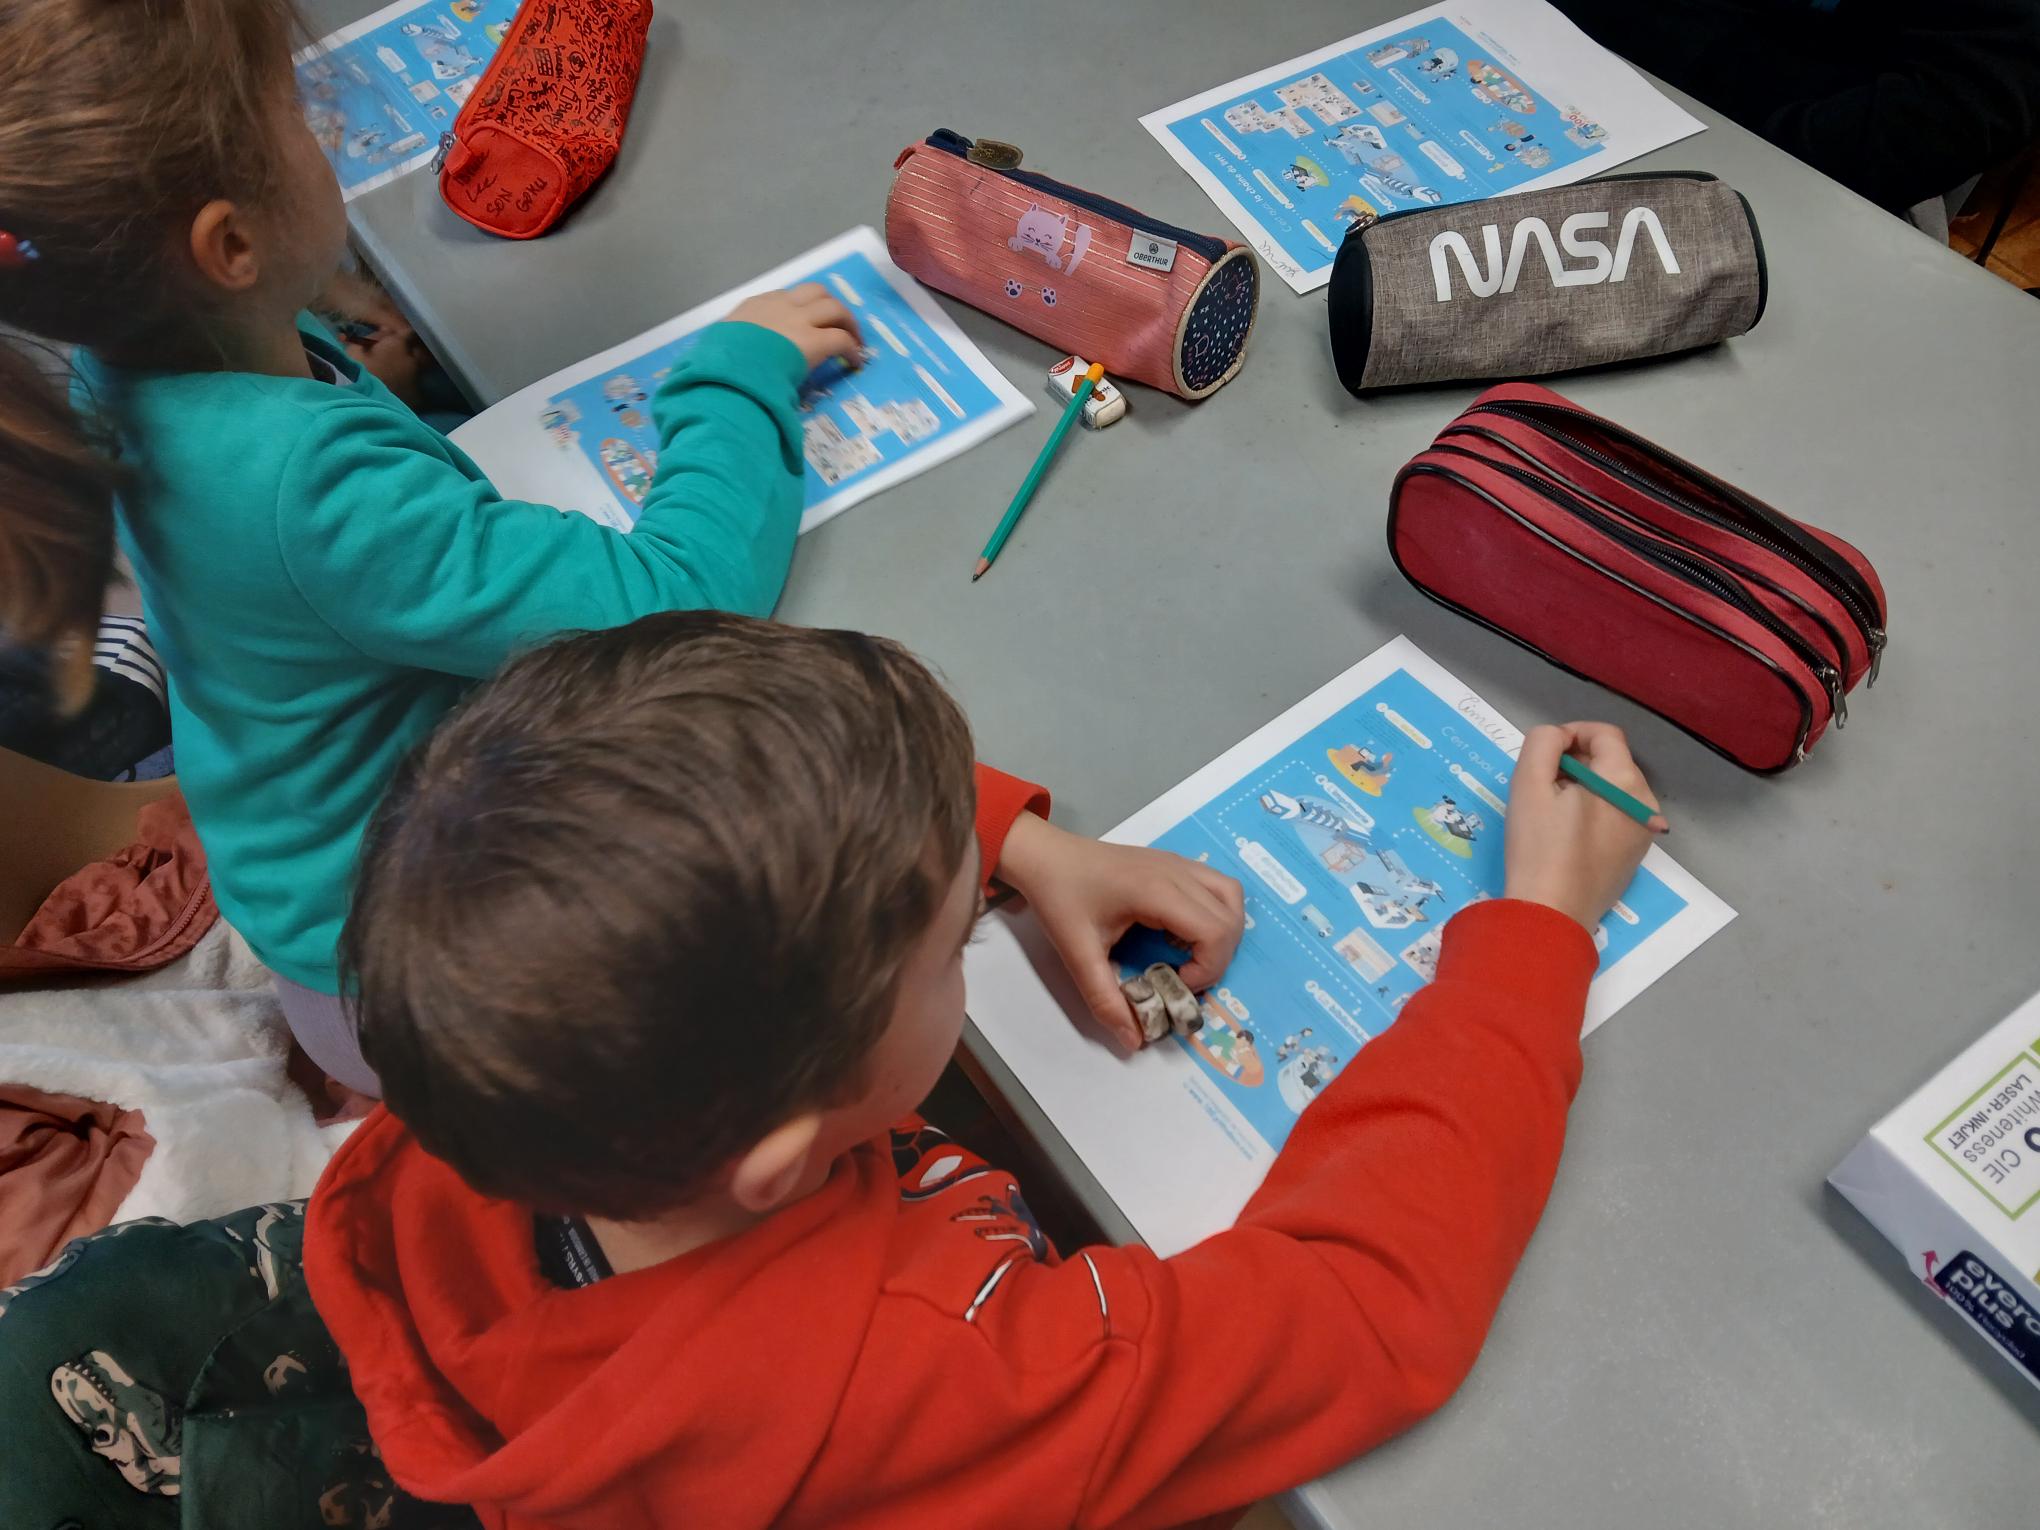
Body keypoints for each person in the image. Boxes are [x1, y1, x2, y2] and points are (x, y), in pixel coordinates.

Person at [306, 611, 1661, 1529]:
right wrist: (1539, 931)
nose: (971, 926)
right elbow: (1362, 1306)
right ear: (780, 1154)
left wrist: (1016, 842)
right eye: (955, 941)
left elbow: (686, 822)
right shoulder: (944, 1379)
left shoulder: (496, 1067)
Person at [0, 0, 845, 1092]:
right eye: (300, 116)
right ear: (231, 246)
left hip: (316, 900)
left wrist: (328, 334)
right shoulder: (312, 487)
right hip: (431, 994)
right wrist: (736, 375)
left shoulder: (119, 361)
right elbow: (675, 600)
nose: (328, 137)